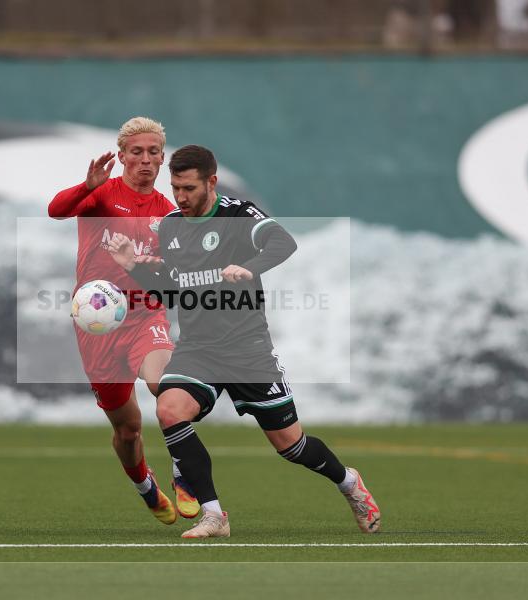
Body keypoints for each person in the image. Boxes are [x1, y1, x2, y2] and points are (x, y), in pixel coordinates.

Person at [108, 144, 380, 538]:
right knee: (169, 409)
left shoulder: (239, 214)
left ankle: (349, 483)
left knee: (292, 446)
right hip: (198, 349)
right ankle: (214, 516)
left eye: (188, 188)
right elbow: (174, 288)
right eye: (176, 188)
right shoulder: (170, 226)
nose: (180, 197)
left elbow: (283, 242)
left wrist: (248, 268)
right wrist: (133, 266)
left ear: (211, 182)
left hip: (247, 350)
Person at [48, 117, 199, 525]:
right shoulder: (101, 195)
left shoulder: (169, 213)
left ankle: (187, 472)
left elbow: (178, 272)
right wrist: (87, 187)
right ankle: (146, 487)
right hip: (98, 325)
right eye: (137, 152)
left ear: (162, 159)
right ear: (122, 156)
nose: (145, 160)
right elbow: (55, 210)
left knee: (163, 385)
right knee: (128, 430)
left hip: (144, 315)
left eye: (153, 153)